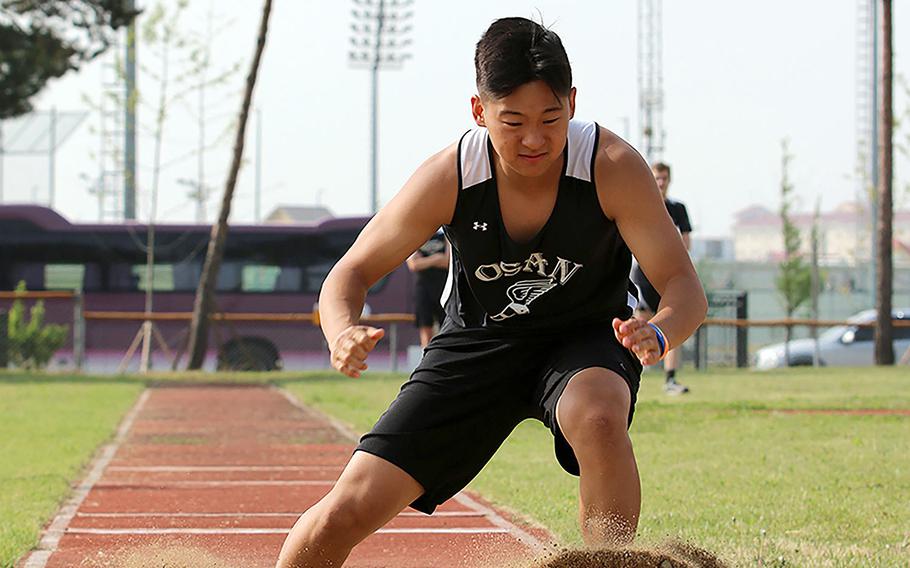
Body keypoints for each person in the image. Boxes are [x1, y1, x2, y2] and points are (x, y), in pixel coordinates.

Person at [276, 17, 706, 568]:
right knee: (345, 511)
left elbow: (683, 285)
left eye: (550, 119)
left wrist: (660, 331)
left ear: (572, 103)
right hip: (477, 345)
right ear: (479, 112)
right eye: (513, 121)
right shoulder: (450, 176)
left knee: (598, 418)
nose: (534, 139)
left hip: (586, 341)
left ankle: (611, 561)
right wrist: (341, 331)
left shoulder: (613, 167)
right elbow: (351, 271)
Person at [630, 162, 693, 395]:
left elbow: (686, 243)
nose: (660, 182)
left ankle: (670, 380)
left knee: (672, 325)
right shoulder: (642, 206)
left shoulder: (677, 209)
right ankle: (630, 375)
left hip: (668, 277)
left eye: (664, 178)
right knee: (638, 326)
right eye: (656, 178)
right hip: (644, 276)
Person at [406, 231, 450, 347]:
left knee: (447, 327)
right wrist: (437, 258)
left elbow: (448, 261)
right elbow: (413, 264)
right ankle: (426, 358)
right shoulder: (417, 235)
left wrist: (425, 260)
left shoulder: (445, 234)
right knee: (425, 328)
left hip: (444, 288)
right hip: (423, 289)